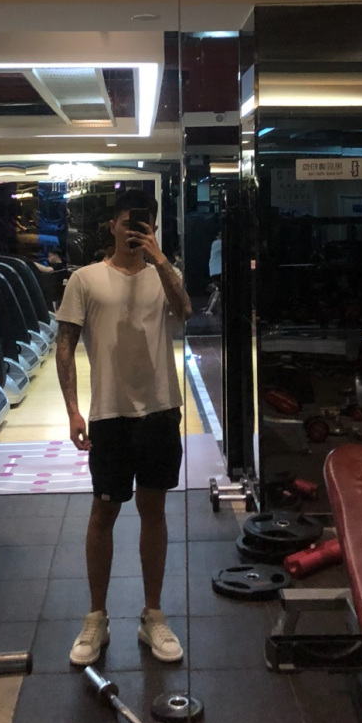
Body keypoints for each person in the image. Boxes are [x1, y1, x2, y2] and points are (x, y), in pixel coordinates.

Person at [55, 190, 192, 667]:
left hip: (160, 409)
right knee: (103, 513)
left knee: (154, 510)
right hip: (109, 414)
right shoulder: (85, 278)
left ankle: (153, 614)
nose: (136, 230)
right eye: (129, 223)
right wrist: (73, 411)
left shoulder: (164, 275)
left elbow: (185, 312)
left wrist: (161, 261)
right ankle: (97, 617)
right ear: (112, 225)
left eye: (145, 223)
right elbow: (65, 345)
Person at [205, 232, 222, 317]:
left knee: (217, 289)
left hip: (213, 270)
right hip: (218, 270)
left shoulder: (214, 243)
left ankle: (208, 307)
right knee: (219, 290)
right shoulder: (220, 243)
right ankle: (209, 310)